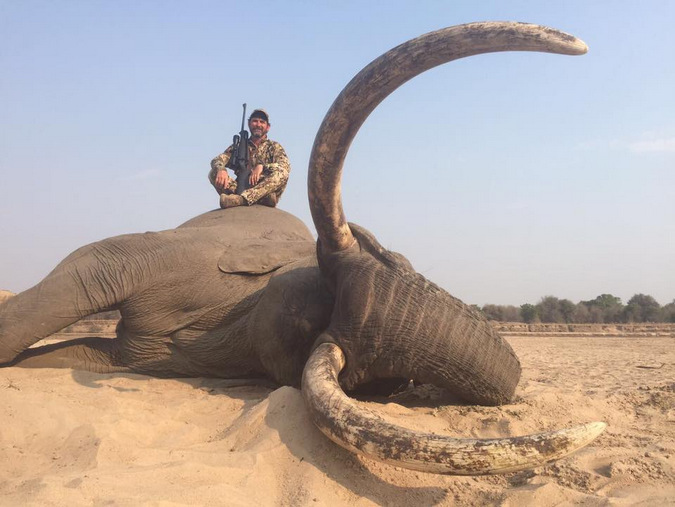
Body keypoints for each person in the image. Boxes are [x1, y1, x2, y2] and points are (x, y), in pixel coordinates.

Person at [209, 108, 291, 208]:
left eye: (262, 122)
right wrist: (221, 169)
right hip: (241, 187)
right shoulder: (239, 146)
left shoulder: (274, 146)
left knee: (282, 173)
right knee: (213, 173)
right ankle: (262, 199)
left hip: (265, 187)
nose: (258, 124)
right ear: (249, 124)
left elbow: (285, 166)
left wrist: (262, 167)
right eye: (255, 121)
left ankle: (242, 200)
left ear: (268, 127)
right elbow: (217, 160)